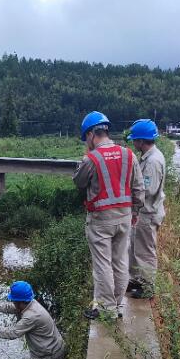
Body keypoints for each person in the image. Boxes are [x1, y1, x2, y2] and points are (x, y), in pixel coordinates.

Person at [73, 111, 145, 319]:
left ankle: (106, 309)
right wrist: (135, 212)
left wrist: (86, 156)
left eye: (86, 138)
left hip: (101, 220)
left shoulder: (91, 158)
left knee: (102, 264)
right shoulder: (129, 154)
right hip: (124, 217)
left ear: (90, 134)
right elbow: (139, 188)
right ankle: (117, 305)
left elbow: (79, 182)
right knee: (121, 262)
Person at [126, 119, 166, 298]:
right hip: (142, 212)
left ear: (141, 141)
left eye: (134, 140)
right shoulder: (147, 158)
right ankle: (136, 280)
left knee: (145, 251)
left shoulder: (153, 162)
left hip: (148, 213)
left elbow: (148, 189)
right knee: (135, 248)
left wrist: (130, 190)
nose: (133, 143)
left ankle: (148, 287)